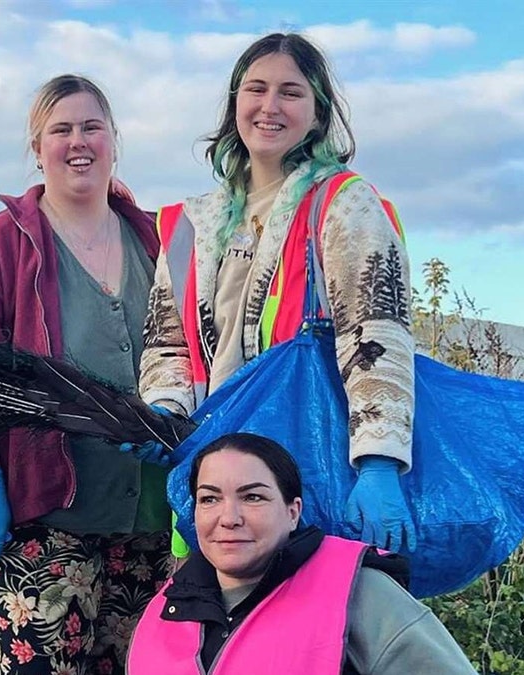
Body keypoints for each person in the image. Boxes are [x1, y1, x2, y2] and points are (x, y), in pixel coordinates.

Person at [137, 33, 417, 553]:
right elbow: (168, 346)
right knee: (215, 629)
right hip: (212, 479)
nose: (270, 106)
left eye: (291, 92)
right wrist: (165, 412)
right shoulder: (187, 226)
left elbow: (377, 332)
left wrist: (379, 463)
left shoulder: (344, 205)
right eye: (256, 89)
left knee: (305, 628)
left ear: (317, 114)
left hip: (308, 475)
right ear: (235, 105)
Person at [0, 74, 171, 675]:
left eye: (92, 126)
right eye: (60, 130)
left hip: (145, 518)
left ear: (114, 140)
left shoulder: (155, 241)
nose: (77, 141)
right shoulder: (2, 245)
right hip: (38, 516)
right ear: (37, 150)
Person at [126, 433, 476, 674]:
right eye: (210, 499)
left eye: (253, 497)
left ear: (293, 512)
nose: (228, 519)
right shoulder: (168, 606)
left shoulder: (362, 592)